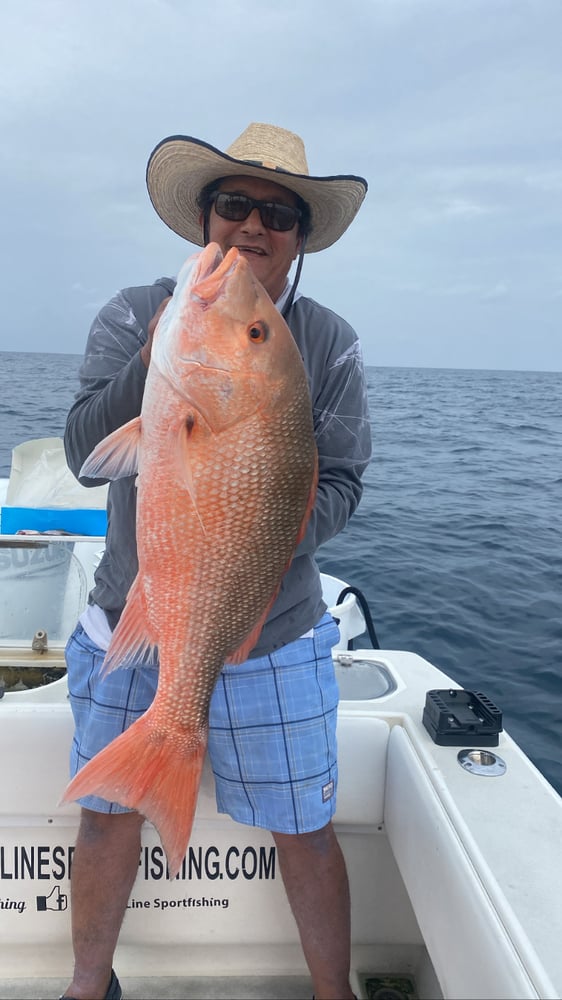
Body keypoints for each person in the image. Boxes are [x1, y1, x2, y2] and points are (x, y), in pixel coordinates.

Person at [61, 122, 371, 1000]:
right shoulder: (134, 314)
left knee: (304, 825)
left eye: (279, 213)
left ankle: (332, 993)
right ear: (204, 218)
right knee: (107, 815)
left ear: (300, 238)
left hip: (276, 634)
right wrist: (166, 344)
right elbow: (88, 451)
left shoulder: (330, 340)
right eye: (234, 204)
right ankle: (87, 988)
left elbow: (344, 481)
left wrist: (260, 527)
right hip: (134, 607)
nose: (253, 226)